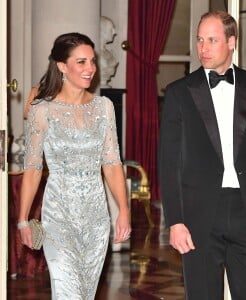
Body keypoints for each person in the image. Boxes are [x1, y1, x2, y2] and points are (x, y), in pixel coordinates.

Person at [158, 11, 246, 300]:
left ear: (232, 42)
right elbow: (169, 163)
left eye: (212, 40)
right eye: (199, 40)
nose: (203, 48)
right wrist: (176, 221)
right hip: (198, 216)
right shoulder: (179, 93)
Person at [18, 32, 131, 299]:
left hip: (96, 219)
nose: (90, 68)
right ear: (61, 66)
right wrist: (23, 220)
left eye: (91, 61)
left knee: (86, 293)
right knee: (67, 291)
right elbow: (33, 168)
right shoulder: (42, 109)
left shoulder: (104, 107)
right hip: (59, 216)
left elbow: (112, 163)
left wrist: (123, 210)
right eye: (81, 62)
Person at [100, 16, 118, 88]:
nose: (114, 32)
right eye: (111, 29)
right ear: (102, 30)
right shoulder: (94, 53)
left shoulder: (110, 54)